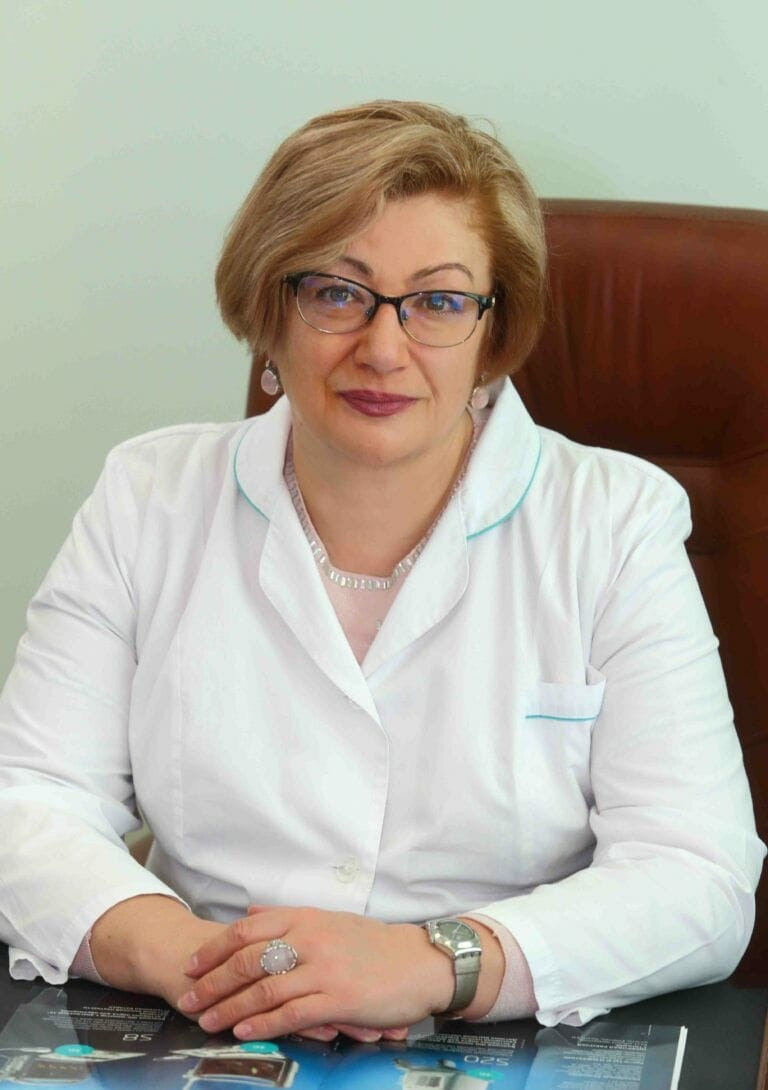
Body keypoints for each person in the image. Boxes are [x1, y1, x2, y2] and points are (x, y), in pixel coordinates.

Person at [0, 100, 764, 1045]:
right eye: (336, 292)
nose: (383, 348)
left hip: (507, 1033)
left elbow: (698, 877)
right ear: (268, 312)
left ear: (493, 333)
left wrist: (435, 963)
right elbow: (28, 802)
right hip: (207, 1022)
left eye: (438, 302)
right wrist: (205, 963)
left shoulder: (612, 523)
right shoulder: (149, 496)